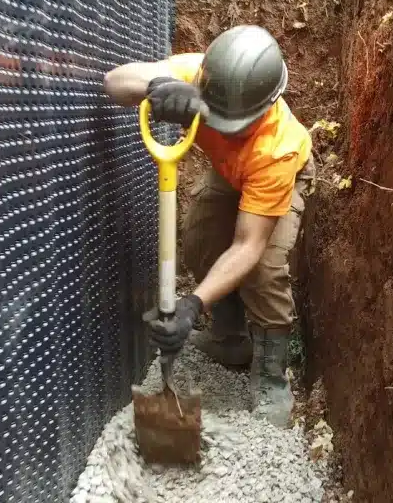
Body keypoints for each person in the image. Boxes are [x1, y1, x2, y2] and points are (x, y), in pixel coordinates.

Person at [103, 24, 315, 427]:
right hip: (228, 171)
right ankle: (229, 337)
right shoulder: (202, 76)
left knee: (264, 269)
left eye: (231, 124)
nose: (220, 127)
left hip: (272, 175)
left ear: (267, 106)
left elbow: (247, 246)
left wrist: (190, 306)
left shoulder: (277, 147)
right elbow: (113, 82)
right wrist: (160, 86)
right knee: (200, 240)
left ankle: (271, 375)